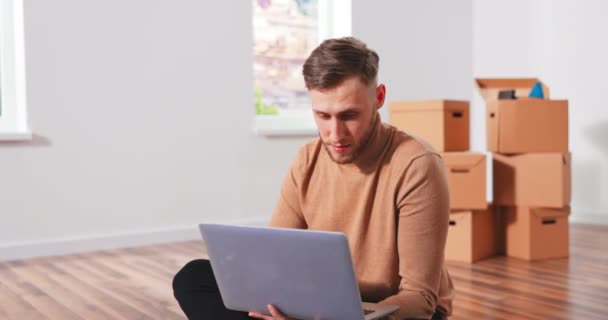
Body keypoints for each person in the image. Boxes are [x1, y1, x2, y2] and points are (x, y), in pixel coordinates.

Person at [173, 37, 454, 320]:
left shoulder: (417, 164)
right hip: (321, 302)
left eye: (349, 116)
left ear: (379, 98)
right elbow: (275, 259)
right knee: (193, 278)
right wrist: (282, 301)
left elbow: (420, 298)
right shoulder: (306, 159)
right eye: (323, 115)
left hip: (391, 311)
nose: (335, 134)